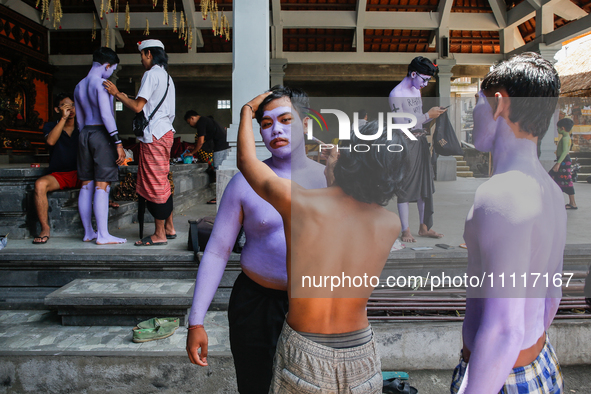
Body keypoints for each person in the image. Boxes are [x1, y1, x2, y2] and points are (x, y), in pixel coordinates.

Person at [235, 91, 408, 393]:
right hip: (361, 352)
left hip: (306, 350)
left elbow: (246, 161)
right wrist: (339, 173)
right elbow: (347, 217)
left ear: (349, 161)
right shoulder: (390, 224)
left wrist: (247, 111)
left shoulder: (300, 203)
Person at [186, 86, 326, 394]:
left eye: (286, 119)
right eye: (265, 123)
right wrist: (196, 321)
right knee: (255, 387)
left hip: (311, 304)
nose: (276, 129)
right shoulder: (244, 182)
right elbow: (217, 252)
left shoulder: (329, 179)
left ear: (305, 124)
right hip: (255, 304)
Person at [450, 52, 564, 394]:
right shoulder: (550, 189)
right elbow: (552, 295)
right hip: (539, 361)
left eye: (477, 103)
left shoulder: (502, 194)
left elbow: (504, 329)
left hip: (500, 377)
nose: (474, 114)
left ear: (499, 103)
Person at [104, 39, 176, 246]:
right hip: (165, 133)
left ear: (149, 54)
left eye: (142, 55)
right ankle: (169, 227)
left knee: (155, 184)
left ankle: (160, 234)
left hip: (154, 136)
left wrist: (117, 94)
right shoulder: (167, 78)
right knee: (162, 181)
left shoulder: (151, 74)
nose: (142, 60)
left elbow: (137, 107)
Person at [389, 56, 446, 243]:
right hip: (405, 143)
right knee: (404, 186)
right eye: (424, 79)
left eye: (429, 80)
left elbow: (418, 119)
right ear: (413, 73)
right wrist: (426, 115)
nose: (425, 84)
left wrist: (432, 115)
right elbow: (401, 125)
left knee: (424, 185)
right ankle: (406, 230)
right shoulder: (396, 94)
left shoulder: (416, 90)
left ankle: (424, 227)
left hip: (421, 141)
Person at [74, 47, 126, 245]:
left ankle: (88, 232)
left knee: (86, 184)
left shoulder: (79, 85)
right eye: (112, 68)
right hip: (101, 133)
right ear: (107, 66)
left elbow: (79, 118)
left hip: (84, 133)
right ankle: (103, 235)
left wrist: (85, 137)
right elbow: (106, 115)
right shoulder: (102, 84)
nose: (111, 72)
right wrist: (118, 142)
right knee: (102, 185)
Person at [33, 93, 80, 244]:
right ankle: (45, 228)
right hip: (59, 175)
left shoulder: (83, 125)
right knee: (40, 184)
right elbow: (51, 142)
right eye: (66, 106)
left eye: (72, 105)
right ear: (57, 109)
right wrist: (63, 118)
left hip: (81, 174)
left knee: (101, 172)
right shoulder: (50, 126)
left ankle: (107, 200)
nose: (70, 109)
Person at [549, 117, 577, 210]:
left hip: (563, 161)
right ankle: (554, 200)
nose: (557, 129)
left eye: (558, 127)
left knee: (566, 181)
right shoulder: (565, 137)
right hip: (562, 161)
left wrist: (558, 163)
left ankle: (573, 203)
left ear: (563, 128)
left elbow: (565, 152)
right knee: (553, 177)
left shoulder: (565, 138)